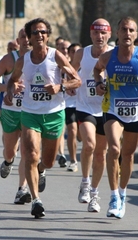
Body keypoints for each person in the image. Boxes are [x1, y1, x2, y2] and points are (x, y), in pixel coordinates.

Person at [4, 18, 81, 218]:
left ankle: (42, 169)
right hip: (30, 113)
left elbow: (77, 80)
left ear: (48, 35)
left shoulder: (56, 57)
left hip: (54, 113)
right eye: (36, 32)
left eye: (43, 32)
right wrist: (11, 91)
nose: (40, 35)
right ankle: (36, 200)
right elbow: (12, 80)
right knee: (30, 154)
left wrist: (60, 87)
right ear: (29, 37)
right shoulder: (23, 60)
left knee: (48, 161)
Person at [93, 16, 138, 218]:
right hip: (112, 109)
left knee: (128, 155)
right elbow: (97, 70)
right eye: (124, 29)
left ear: (136, 34)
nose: (127, 34)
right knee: (114, 149)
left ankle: (122, 192)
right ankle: (113, 195)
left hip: (135, 112)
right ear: (117, 33)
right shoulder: (108, 57)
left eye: (131, 30)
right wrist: (99, 83)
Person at [72, 18, 112, 213]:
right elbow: (70, 73)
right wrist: (71, 85)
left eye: (103, 32)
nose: (99, 36)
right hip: (85, 106)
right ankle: (85, 183)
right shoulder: (82, 53)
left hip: (106, 110)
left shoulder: (115, 54)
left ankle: (95, 195)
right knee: (89, 144)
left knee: (101, 153)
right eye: (96, 32)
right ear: (91, 34)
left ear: (109, 35)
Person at [0, 28, 32, 204]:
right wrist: (9, 88)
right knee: (10, 150)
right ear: (18, 40)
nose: (27, 40)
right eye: (23, 37)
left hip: (32, 112)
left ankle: (22, 189)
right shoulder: (9, 60)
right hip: (11, 111)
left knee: (28, 151)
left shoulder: (41, 59)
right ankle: (8, 161)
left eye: (30, 37)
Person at [64, 42, 82, 172]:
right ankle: (73, 160)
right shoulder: (64, 68)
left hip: (84, 105)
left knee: (82, 135)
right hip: (69, 104)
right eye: (73, 51)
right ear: (69, 54)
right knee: (72, 131)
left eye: (78, 51)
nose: (75, 54)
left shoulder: (87, 66)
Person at [56, 39, 72, 168]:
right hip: (58, 103)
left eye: (67, 48)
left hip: (73, 103)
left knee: (75, 134)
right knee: (61, 130)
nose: (65, 51)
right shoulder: (54, 63)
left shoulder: (73, 64)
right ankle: (61, 154)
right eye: (62, 48)